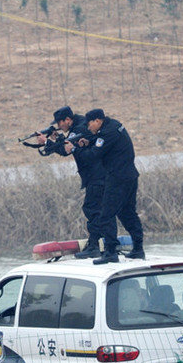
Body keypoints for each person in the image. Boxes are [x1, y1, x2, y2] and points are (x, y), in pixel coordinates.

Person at [71, 109, 144, 264]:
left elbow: (92, 156)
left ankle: (110, 252)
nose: (88, 127)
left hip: (117, 179)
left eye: (89, 124)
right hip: (130, 176)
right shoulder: (113, 125)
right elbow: (103, 145)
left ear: (97, 121)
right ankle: (138, 249)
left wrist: (74, 148)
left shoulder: (107, 133)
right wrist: (89, 142)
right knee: (127, 213)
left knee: (106, 215)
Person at [33, 107, 106, 255]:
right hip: (97, 175)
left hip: (97, 176)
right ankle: (102, 242)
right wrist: (53, 139)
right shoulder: (80, 125)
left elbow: (66, 149)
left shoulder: (79, 128)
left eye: (60, 123)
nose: (60, 127)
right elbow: (65, 147)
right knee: (99, 210)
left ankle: (94, 246)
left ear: (68, 120)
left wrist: (47, 142)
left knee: (92, 209)